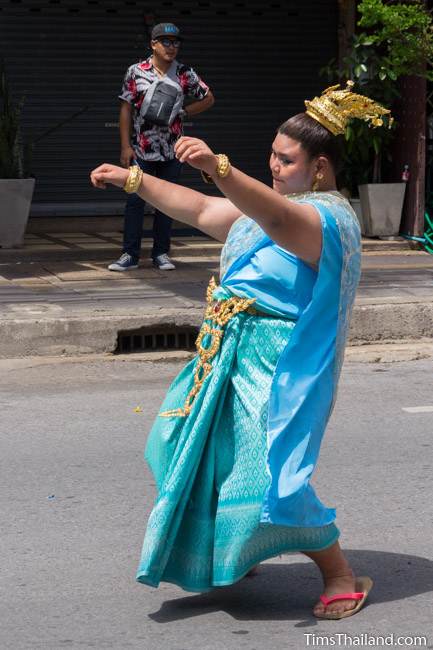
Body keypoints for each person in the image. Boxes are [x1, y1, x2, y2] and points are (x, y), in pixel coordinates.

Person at [91, 81, 391, 619]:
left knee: (273, 478)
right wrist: (133, 180)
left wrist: (218, 165)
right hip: (223, 353)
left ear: (320, 167)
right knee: (187, 448)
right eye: (271, 156)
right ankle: (239, 547)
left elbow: (271, 216)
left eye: (286, 159)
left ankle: (340, 572)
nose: (274, 166)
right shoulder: (274, 207)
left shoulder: (326, 219)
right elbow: (205, 210)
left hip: (272, 366)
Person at [109, 22, 214, 272]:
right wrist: (125, 145)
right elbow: (125, 108)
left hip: (172, 149)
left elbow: (208, 97)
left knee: (168, 202)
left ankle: (161, 253)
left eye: (176, 42)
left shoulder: (184, 73)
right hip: (141, 148)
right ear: (153, 44)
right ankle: (129, 255)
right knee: (135, 200)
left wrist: (185, 112)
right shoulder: (136, 71)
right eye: (165, 42)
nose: (171, 47)